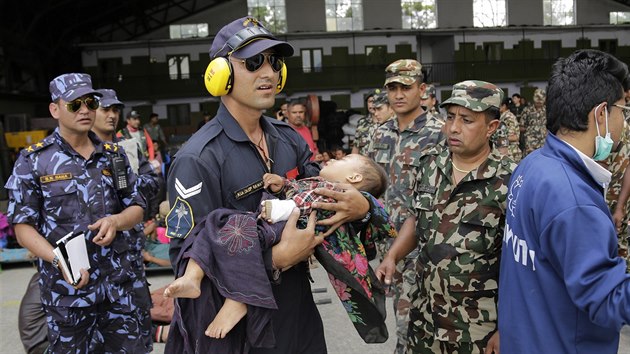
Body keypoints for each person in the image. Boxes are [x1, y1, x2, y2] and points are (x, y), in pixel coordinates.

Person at [165, 16, 370, 353]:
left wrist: (361, 206)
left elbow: (325, 195)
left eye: (274, 62)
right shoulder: (198, 158)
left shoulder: (288, 140)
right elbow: (185, 259)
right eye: (253, 62)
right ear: (222, 74)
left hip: (299, 315)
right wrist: (275, 259)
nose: (269, 73)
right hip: (243, 331)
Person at [164, 153, 393, 343]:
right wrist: (283, 185)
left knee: (224, 232)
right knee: (212, 227)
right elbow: (300, 190)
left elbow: (306, 206)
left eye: (342, 160)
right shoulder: (322, 184)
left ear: (353, 176)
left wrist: (277, 208)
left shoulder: (339, 194)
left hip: (282, 229)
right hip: (273, 225)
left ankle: (237, 302)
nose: (334, 159)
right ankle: (193, 278)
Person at [4, 73, 150, 353]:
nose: (85, 110)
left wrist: (116, 221)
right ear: (55, 109)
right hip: (67, 295)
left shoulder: (113, 155)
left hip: (117, 289)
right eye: (74, 104)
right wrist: (57, 258)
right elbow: (22, 226)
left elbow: (136, 206)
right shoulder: (34, 161)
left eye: (90, 102)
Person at [498, 49, 630, 353]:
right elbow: (606, 299)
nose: (623, 121)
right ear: (601, 114)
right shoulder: (573, 200)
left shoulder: (532, 165)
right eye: (623, 110)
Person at [377, 80, 514, 353]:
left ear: (491, 128)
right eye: (450, 117)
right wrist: (393, 256)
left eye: (467, 120)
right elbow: (417, 219)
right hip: (425, 317)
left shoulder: (509, 180)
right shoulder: (430, 164)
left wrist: (507, 327)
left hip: (476, 327)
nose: (453, 127)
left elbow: (519, 265)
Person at [352, 89, 380, 155]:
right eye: (370, 101)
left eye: (375, 101)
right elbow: (356, 147)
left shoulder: (390, 122)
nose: (372, 104)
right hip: (365, 163)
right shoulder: (362, 123)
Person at [520, 88, 547, 157]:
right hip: (530, 143)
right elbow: (521, 126)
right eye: (537, 99)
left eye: (541, 100)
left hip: (544, 142)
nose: (539, 102)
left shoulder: (547, 110)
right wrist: (530, 130)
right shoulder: (527, 110)